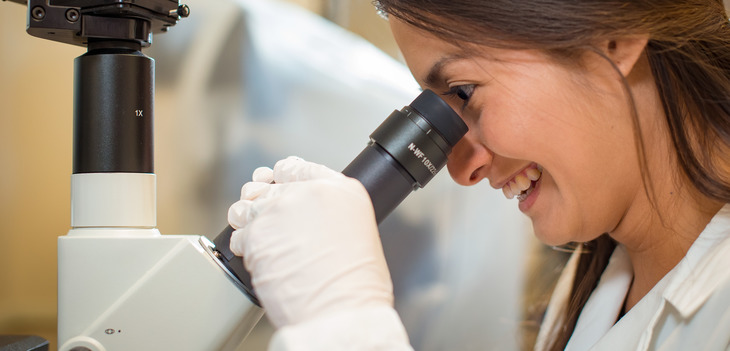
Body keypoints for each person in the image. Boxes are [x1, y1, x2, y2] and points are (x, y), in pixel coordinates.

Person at [226, 0, 730, 349]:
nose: (462, 169)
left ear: (614, 35)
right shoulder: (591, 296)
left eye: (464, 92)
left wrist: (343, 319)